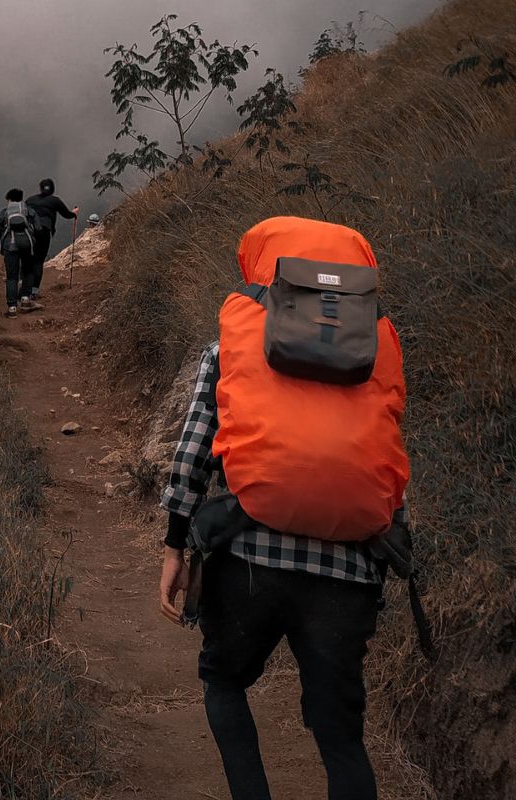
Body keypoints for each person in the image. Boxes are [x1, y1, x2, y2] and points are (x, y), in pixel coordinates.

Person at [158, 216, 410, 800]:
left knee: (223, 681)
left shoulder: (233, 343)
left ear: (264, 268)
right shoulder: (379, 345)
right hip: (348, 569)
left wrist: (175, 544)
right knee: (341, 737)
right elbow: (384, 452)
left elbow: (193, 453)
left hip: (250, 559)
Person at [0, 188, 41, 317]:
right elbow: (38, 228)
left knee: (12, 277)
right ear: (21, 198)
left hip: (9, 247)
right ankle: (25, 299)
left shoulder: (4, 213)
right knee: (28, 271)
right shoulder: (29, 210)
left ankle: (12, 309)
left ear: (9, 199)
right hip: (27, 246)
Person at [24, 178, 77, 301]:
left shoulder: (30, 200)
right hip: (44, 232)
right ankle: (34, 292)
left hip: (28, 232)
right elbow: (66, 214)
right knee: (38, 261)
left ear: (40, 187)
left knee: (28, 260)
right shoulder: (55, 201)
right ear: (52, 188)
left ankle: (23, 290)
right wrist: (75, 213)